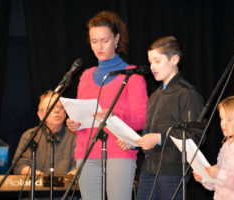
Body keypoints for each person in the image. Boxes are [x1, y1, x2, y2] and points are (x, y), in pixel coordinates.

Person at [66, 10, 148, 200]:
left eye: (105, 40)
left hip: (119, 150)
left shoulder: (132, 76)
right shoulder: (86, 76)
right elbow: (81, 114)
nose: (99, 46)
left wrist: (114, 115)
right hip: (86, 150)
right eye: (94, 41)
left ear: (117, 39)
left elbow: (142, 118)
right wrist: (74, 124)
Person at [133, 36, 204, 200]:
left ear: (174, 59)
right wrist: (136, 141)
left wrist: (159, 138)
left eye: (157, 61)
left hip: (172, 170)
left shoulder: (187, 94)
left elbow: (197, 135)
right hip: (149, 168)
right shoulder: (155, 96)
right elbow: (149, 132)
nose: (152, 67)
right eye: (150, 62)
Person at [12, 90, 76, 175]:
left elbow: (79, 166)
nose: (57, 110)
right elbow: (19, 165)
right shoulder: (30, 135)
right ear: (41, 115)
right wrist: (38, 177)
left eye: (60, 107)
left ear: (65, 114)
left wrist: (66, 181)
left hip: (67, 188)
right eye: (51, 108)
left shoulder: (74, 136)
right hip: (36, 186)